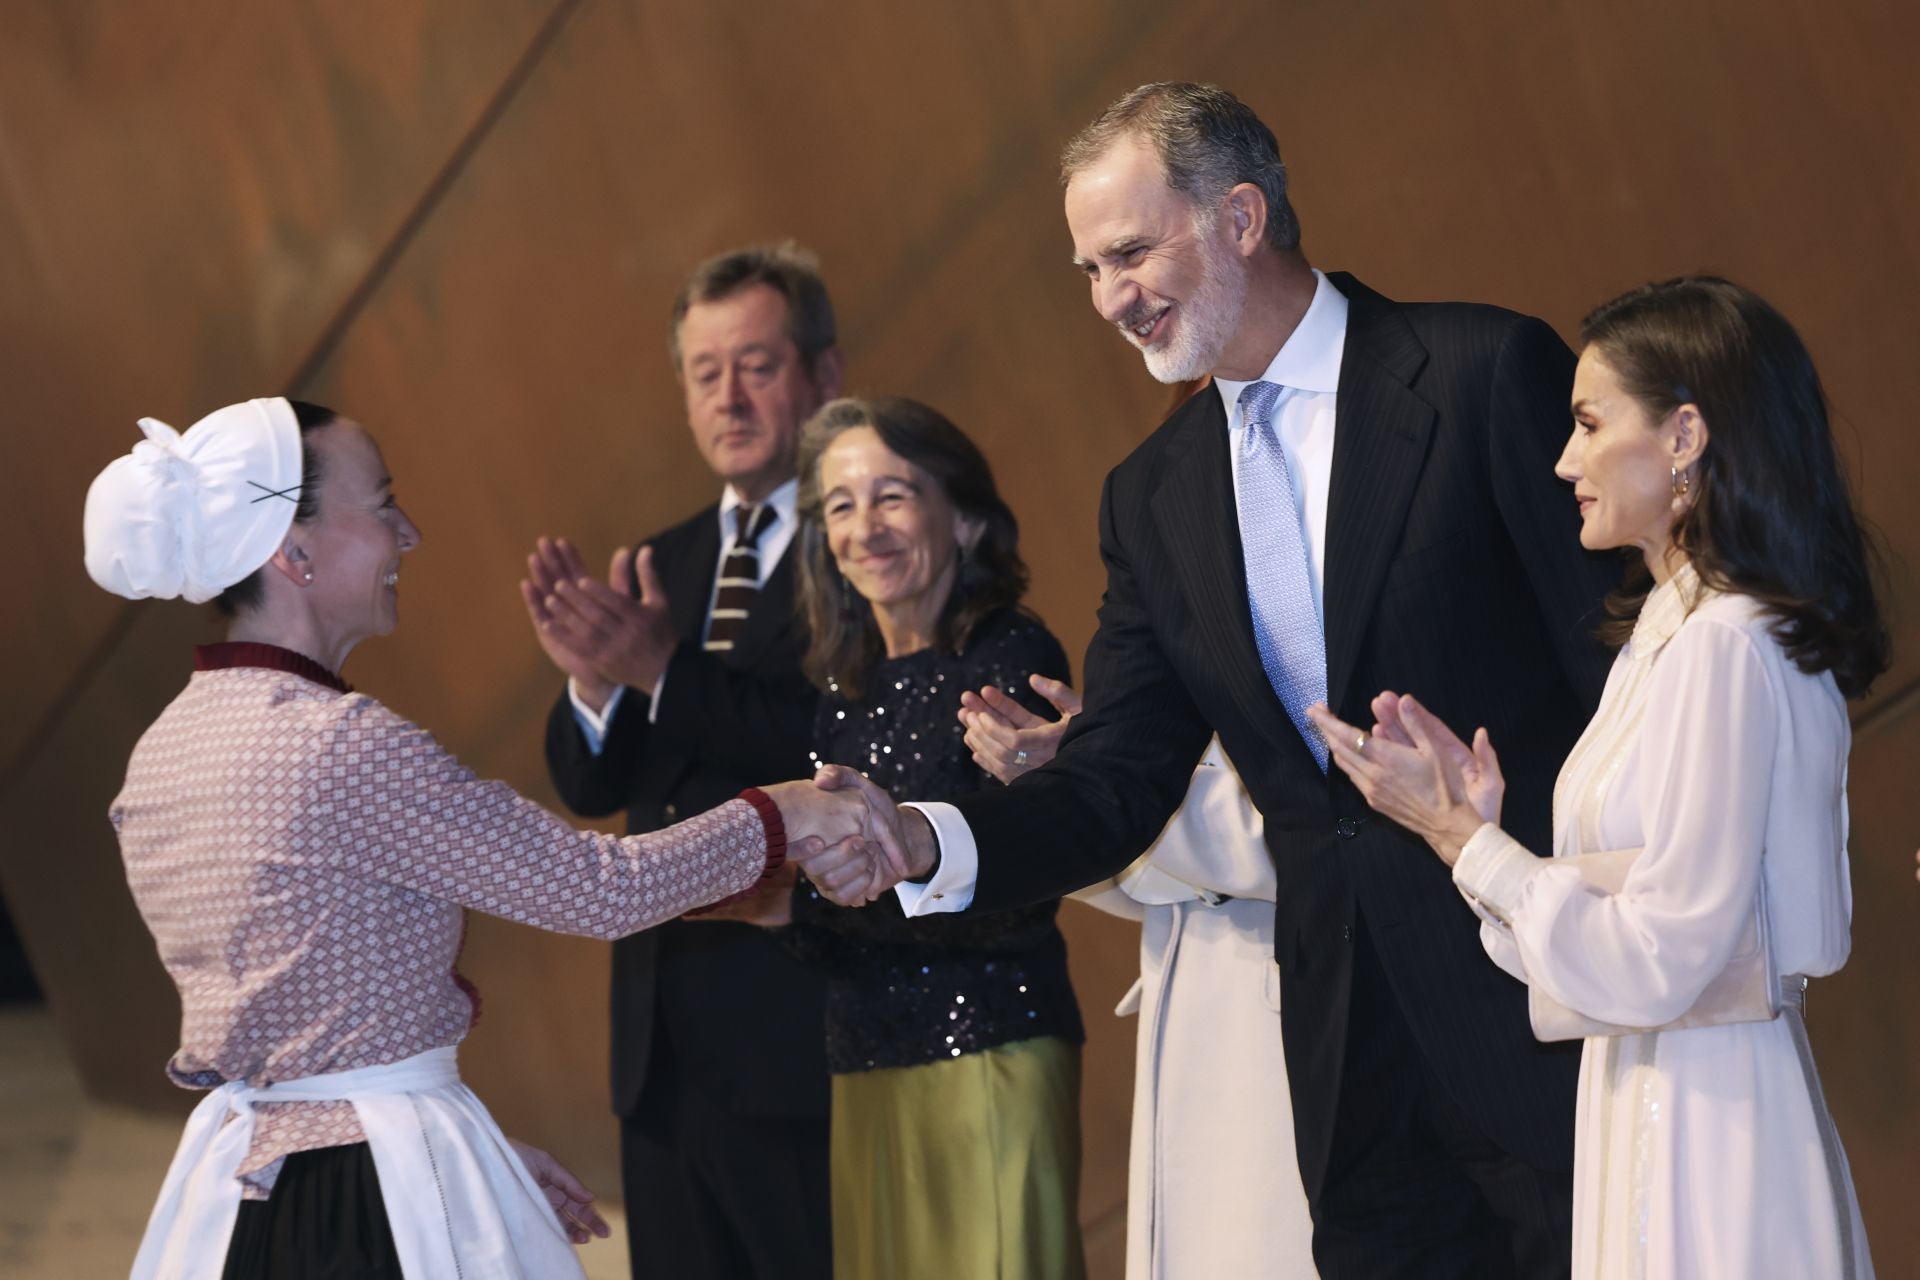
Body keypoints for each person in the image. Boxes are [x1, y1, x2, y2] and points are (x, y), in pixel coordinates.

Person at [831, 82, 1625, 1277]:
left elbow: (1611, 663)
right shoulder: (1150, 496)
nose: (1111, 299)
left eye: (1133, 253)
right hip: (1348, 1049)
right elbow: (1114, 781)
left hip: (1546, 995)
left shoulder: (1480, 371)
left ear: (1243, 217)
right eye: (1089, 269)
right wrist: (929, 839)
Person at [84, 397, 883, 1278]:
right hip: (371, 1204)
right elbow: (602, 889)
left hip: (241, 1197)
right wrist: (786, 812)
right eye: (384, 502)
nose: (409, 533)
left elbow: (299, 1033)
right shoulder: (342, 747)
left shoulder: (163, 751)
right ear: (293, 548)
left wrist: (463, 1151)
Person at [1307, 276, 1885, 1277]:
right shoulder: (1666, 633)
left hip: (1710, 1116)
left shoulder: (1723, 645)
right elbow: (1619, 939)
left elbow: (1666, 957)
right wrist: (1477, 827)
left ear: (1685, 434)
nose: (1565, 458)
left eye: (1587, 422)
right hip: (1654, 1091)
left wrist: (1469, 844)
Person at [523, 243, 841, 1279]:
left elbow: (832, 743)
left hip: (799, 1035)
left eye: (756, 364)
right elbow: (592, 784)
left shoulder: (868, 544)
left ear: (822, 377)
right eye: (705, 373)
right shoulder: (666, 556)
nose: (729, 396)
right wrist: (595, 685)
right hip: (659, 1049)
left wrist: (661, 668)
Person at [784, 396, 1086, 1280]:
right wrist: (785, 907)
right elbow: (832, 886)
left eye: (892, 496)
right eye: (841, 505)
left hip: (991, 1042)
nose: (864, 528)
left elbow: (1028, 880)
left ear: (963, 518)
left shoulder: (1010, 653)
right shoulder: (842, 686)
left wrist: (807, 908)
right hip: (863, 1054)